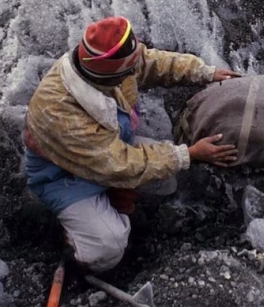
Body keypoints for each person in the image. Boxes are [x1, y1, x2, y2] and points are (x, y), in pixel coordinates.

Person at [23, 16, 240, 272]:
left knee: (165, 181)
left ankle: (114, 203)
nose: (134, 72)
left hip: (108, 150)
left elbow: (149, 63)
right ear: (107, 75)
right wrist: (188, 154)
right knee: (108, 247)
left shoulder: (104, 66)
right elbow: (118, 164)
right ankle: (75, 244)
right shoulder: (59, 111)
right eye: (127, 71)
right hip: (64, 176)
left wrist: (204, 72)